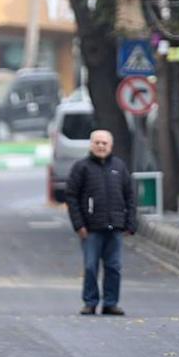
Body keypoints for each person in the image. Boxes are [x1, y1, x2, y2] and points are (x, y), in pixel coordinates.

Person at [66, 130, 136, 316]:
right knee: (90, 266)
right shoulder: (81, 167)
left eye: (104, 143)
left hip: (115, 227)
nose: (101, 146)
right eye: (97, 142)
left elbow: (130, 197)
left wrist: (130, 223)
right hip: (90, 229)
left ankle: (110, 303)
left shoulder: (119, 167)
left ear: (110, 146)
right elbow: (71, 197)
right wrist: (78, 224)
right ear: (91, 145)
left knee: (114, 267)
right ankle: (90, 302)